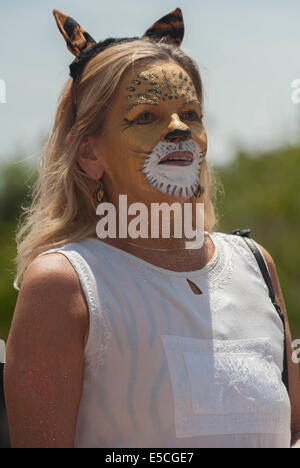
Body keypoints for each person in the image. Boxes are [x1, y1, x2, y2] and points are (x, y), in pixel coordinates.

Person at [4, 7, 300, 448]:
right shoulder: (65, 285)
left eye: (191, 115)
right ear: (90, 154)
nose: (178, 129)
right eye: (146, 117)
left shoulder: (255, 265)